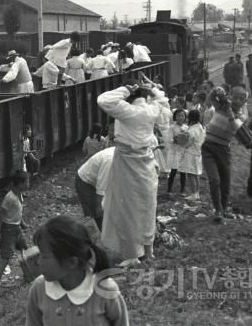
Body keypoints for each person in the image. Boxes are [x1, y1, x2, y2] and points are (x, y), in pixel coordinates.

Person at [97, 79, 167, 265]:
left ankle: (132, 254)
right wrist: (152, 88)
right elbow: (162, 99)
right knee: (147, 206)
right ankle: (148, 251)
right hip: (146, 159)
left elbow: (103, 100)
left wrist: (125, 89)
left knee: (127, 207)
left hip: (128, 162)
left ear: (131, 97)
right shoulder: (152, 110)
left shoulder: (129, 112)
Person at [25, 216, 129, 326]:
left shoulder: (105, 290)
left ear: (72, 263)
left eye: (44, 256)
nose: (38, 262)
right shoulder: (39, 289)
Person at [201, 87, 245, 224]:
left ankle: (224, 209)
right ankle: (218, 209)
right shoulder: (220, 106)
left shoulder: (241, 115)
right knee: (214, 180)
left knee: (225, 181)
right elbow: (210, 98)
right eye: (235, 97)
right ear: (230, 96)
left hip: (224, 149)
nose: (237, 100)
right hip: (208, 147)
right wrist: (215, 91)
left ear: (244, 102)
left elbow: (234, 127)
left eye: (241, 98)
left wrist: (229, 110)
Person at [0, 170, 29, 299]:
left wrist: (22, 223)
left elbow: (16, 212)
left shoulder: (20, 194)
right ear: (20, 184)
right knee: (4, 260)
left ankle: (28, 276)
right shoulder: (10, 197)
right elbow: (1, 216)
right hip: (8, 231)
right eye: (27, 181)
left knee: (24, 250)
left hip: (16, 229)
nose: (29, 184)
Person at [75, 147, 115, 229]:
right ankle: (93, 238)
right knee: (93, 216)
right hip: (85, 182)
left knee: (102, 215)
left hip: (95, 181)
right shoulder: (110, 160)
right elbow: (101, 186)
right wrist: (99, 206)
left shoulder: (120, 154)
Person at [178, 110, 206, 201]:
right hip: (198, 153)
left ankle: (194, 194)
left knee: (191, 174)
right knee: (196, 175)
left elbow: (188, 144)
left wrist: (181, 143)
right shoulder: (201, 127)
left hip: (191, 153)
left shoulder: (192, 130)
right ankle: (197, 194)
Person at [167, 109, 188, 195]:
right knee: (173, 171)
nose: (180, 117)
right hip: (175, 151)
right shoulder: (172, 127)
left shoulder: (186, 127)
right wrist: (177, 139)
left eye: (182, 115)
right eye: (178, 115)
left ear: (185, 117)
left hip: (183, 152)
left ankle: (182, 190)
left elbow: (188, 139)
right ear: (175, 116)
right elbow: (170, 139)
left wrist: (184, 139)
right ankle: (169, 189)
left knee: (183, 171)